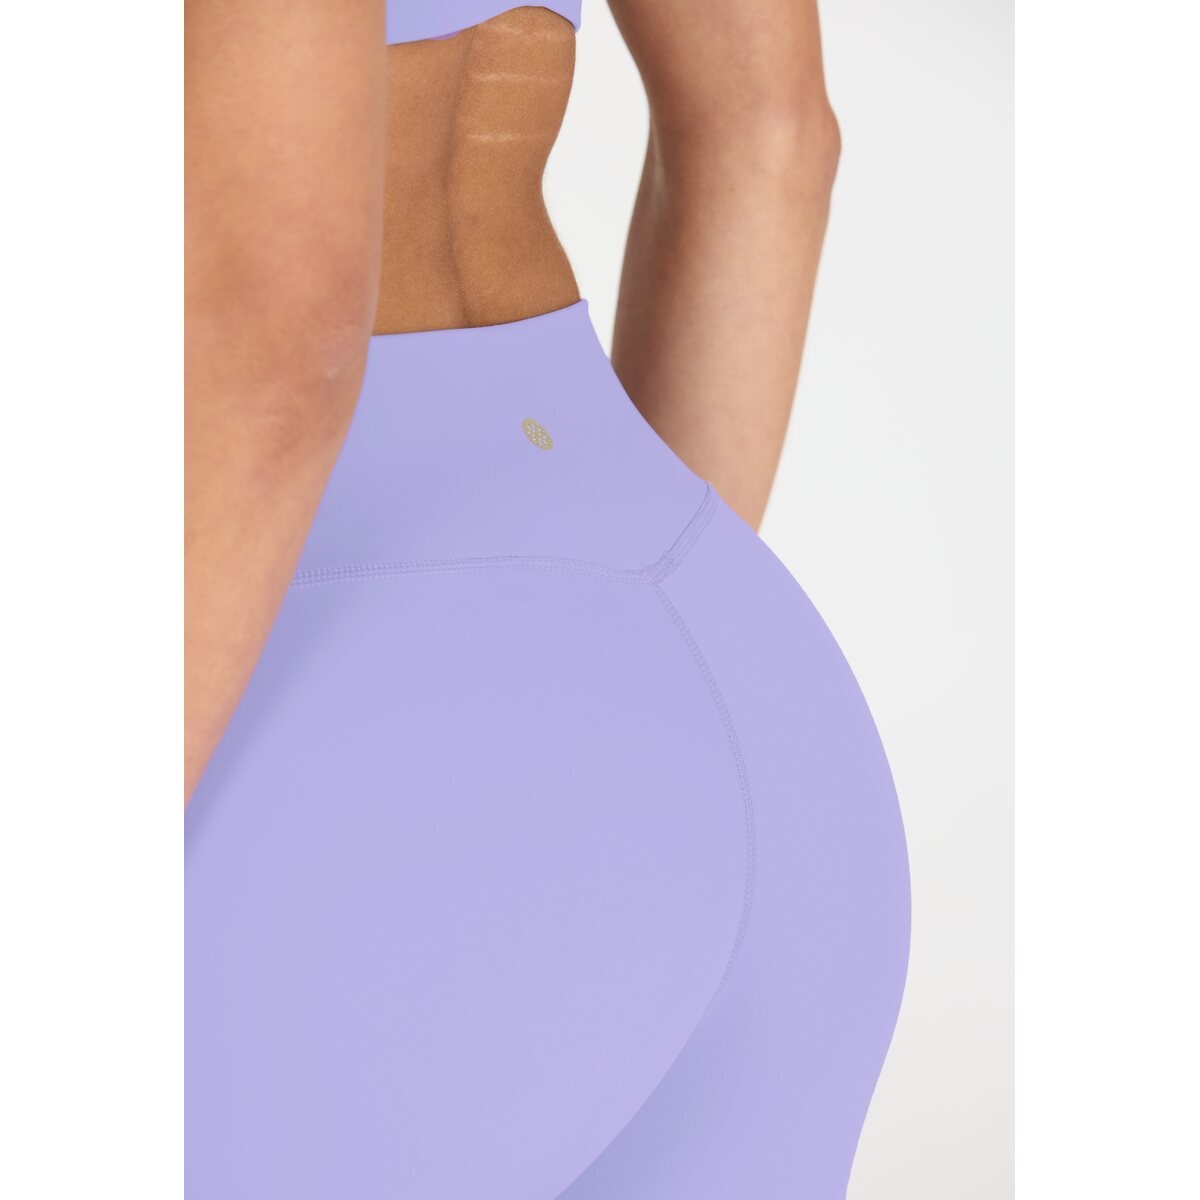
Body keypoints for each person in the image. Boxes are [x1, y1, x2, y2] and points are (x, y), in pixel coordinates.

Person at [185, 3, 910, 1195]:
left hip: (289, 717)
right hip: (735, 680)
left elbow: (275, 334)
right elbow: (771, 135)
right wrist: (595, 701)